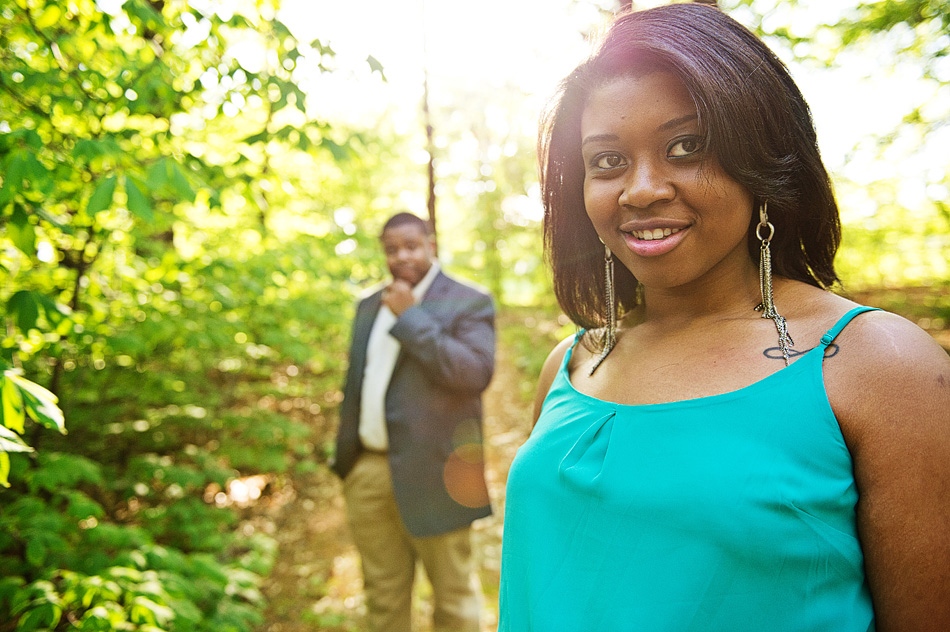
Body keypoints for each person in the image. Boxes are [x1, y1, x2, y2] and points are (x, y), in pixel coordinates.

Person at [497, 3, 950, 631]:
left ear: (761, 159)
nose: (641, 188)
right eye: (607, 160)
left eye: (687, 147)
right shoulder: (574, 365)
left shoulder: (880, 367)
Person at [332, 211, 495, 632]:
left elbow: (473, 374)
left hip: (439, 472)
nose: (401, 256)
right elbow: (358, 383)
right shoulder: (369, 305)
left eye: (410, 245)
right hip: (368, 471)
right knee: (383, 598)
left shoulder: (468, 299)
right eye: (391, 249)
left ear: (431, 245)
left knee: (454, 600)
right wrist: (347, 462)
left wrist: (410, 317)